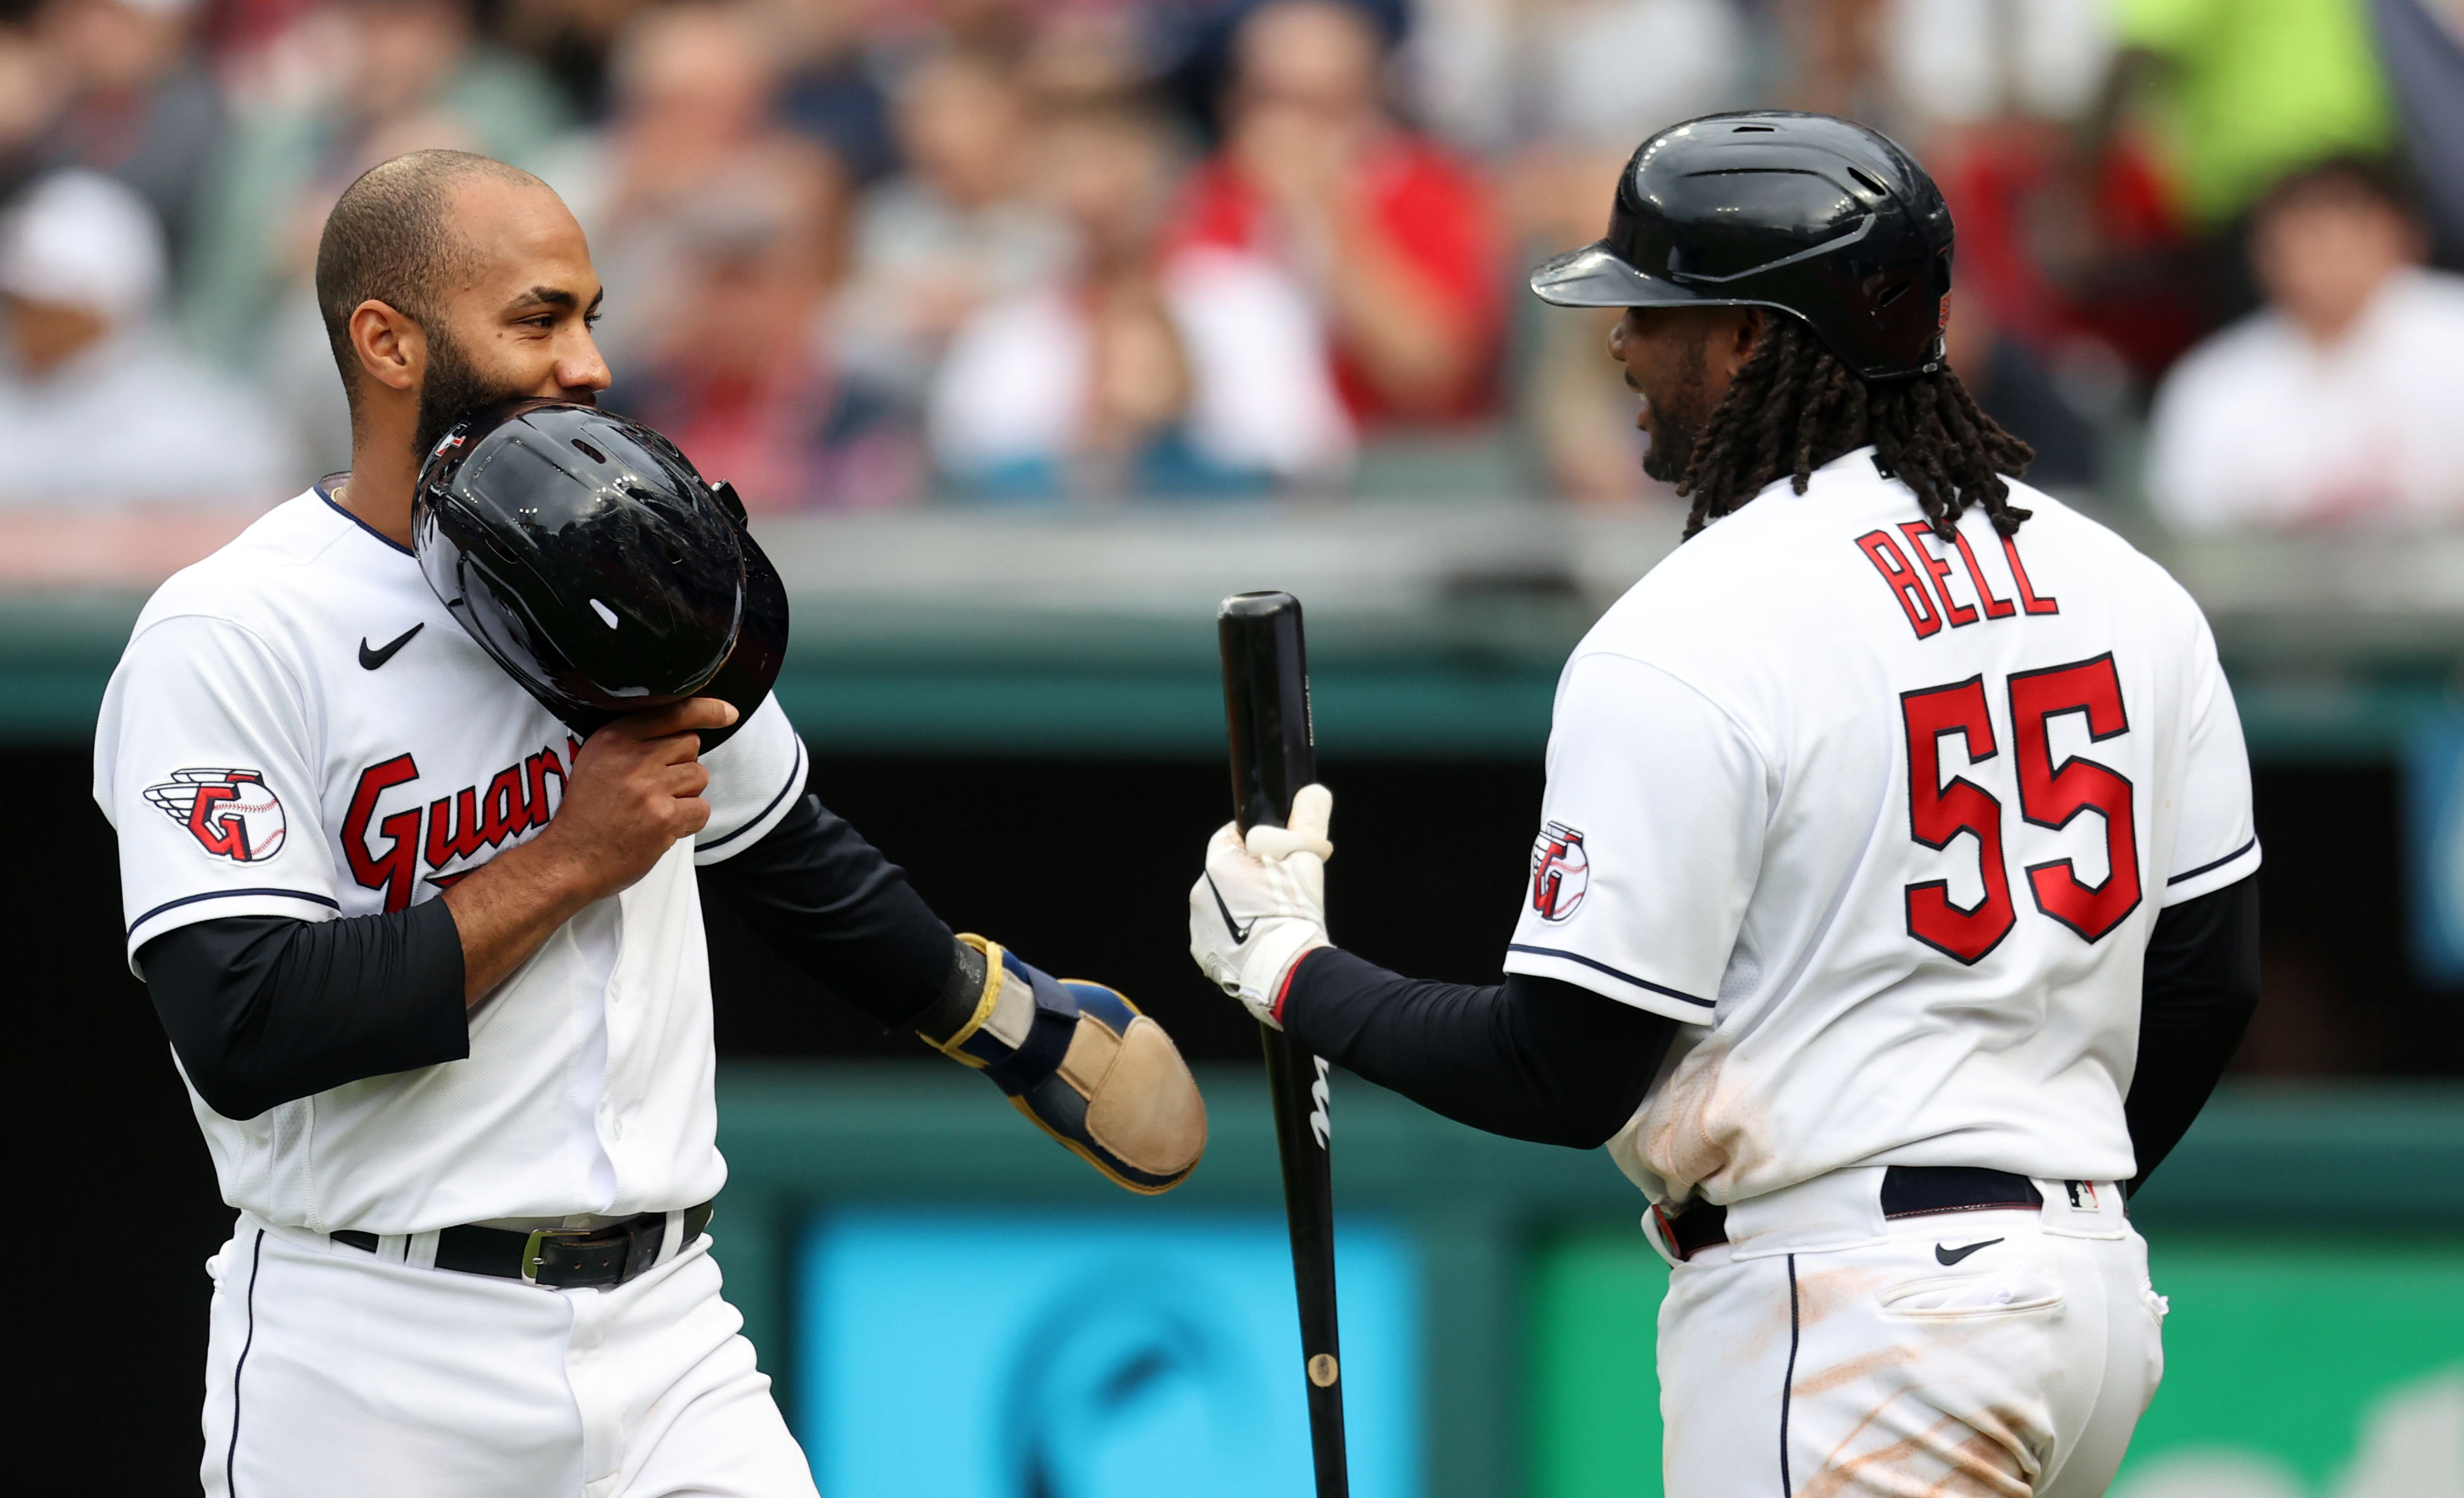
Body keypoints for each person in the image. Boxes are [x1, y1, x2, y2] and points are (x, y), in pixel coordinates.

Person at [91, 148, 1206, 1498]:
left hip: (667, 1326)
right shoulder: (232, 628)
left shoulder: (596, 545)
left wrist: (995, 1016)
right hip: (374, 1345)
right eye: (536, 318)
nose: (586, 364)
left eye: (588, 317)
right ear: (386, 341)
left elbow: (781, 844)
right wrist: (570, 858)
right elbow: (245, 1023)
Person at [1190, 112, 2261, 1497]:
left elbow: (1559, 1066)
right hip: (2087, 1306)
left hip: (1853, 1307)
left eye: (1651, 310)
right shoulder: (2123, 583)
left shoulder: (1690, 625)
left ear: (1753, 339)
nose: (1620, 346)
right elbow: (2206, 980)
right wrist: (2042, 1198)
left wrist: (1291, 969)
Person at [927, 96, 1351, 498]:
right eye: (1070, 172)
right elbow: (972, 476)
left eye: (1113, 167)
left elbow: (1304, 461)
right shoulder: (1007, 330)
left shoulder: (1247, 302)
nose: (1093, 193)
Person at [1171, 0, 1504, 432]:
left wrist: (1317, 213)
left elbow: (1429, 374)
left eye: (1320, 106)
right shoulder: (1210, 191)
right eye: (1269, 100)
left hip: (1393, 466)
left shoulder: (1434, 187)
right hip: (1232, 474)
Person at [2146, 156, 2464, 530]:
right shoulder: (2213, 382)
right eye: (2305, 240)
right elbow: (2188, 528)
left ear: (2401, 237)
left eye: (2346, 237)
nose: (2326, 262)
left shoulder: (2452, 334)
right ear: (2264, 255)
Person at [0, 168, 295, 503]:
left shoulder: (212, 437)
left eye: (51, 302)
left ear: (117, 307)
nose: (27, 319)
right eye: (17, 299)